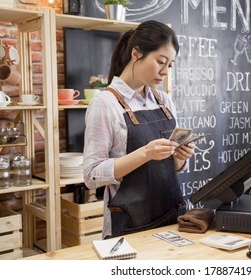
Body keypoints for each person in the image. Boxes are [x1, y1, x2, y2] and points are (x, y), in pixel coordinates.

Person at [83, 20, 195, 239]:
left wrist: (181, 157)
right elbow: (91, 175)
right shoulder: (105, 103)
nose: (164, 72)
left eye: (169, 65)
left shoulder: (164, 101)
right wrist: (145, 153)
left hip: (171, 219)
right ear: (136, 54)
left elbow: (174, 167)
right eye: (160, 62)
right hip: (129, 225)